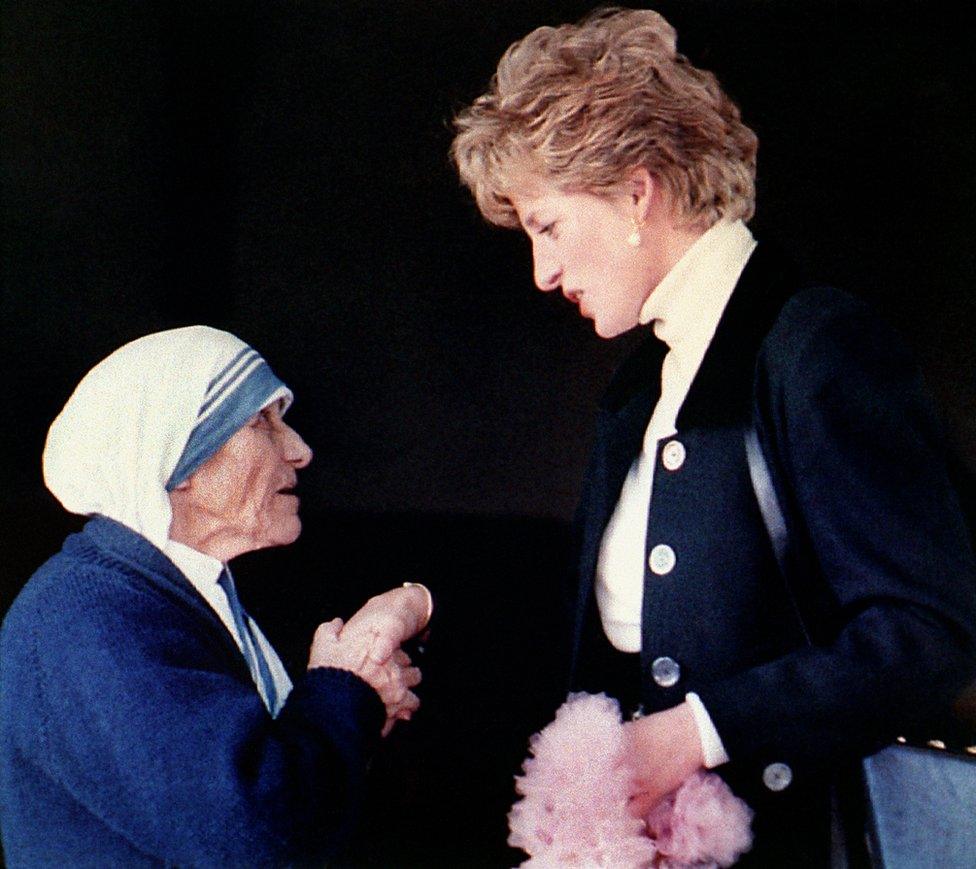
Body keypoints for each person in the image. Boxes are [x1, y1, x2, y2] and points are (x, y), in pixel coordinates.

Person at [451, 7, 976, 865]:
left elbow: (929, 633)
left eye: (546, 227)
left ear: (635, 188)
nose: (543, 273)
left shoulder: (815, 346)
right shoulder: (641, 386)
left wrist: (699, 733)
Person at [0, 326, 433, 867]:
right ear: (177, 462)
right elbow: (256, 832)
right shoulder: (86, 616)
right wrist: (347, 691)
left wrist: (355, 710)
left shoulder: (171, 594)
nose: (300, 450)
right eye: (261, 423)